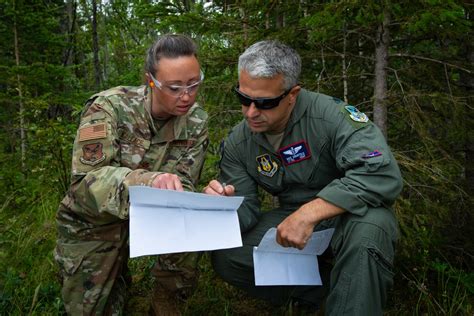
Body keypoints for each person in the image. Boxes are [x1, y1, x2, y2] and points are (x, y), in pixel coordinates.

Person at [204, 40, 403, 315]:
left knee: (370, 230)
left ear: (292, 94)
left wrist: (310, 213)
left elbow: (382, 174)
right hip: (293, 221)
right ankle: (324, 297)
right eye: (243, 98)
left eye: (265, 103)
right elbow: (246, 210)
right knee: (229, 256)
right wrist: (220, 207)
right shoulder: (239, 142)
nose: (251, 112)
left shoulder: (332, 117)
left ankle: (355, 304)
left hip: (351, 216)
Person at [54, 34, 208, 315]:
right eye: (174, 87)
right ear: (151, 80)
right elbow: (85, 184)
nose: (186, 96)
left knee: (189, 233)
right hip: (96, 222)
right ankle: (117, 280)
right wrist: (146, 181)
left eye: (194, 84)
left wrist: (203, 197)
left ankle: (165, 303)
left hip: (157, 216)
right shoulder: (109, 107)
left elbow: (185, 180)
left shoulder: (196, 121)